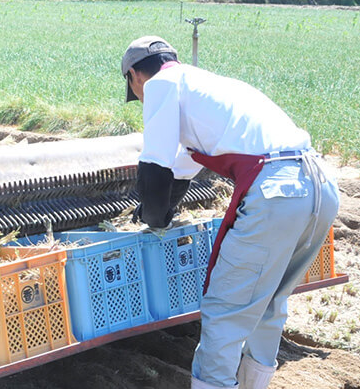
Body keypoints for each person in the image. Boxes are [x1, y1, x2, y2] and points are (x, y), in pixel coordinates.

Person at [121, 36, 338, 389]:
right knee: (268, 302)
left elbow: (156, 162)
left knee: (224, 313)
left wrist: (154, 218)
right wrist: (156, 206)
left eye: (135, 92)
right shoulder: (213, 88)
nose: (141, 98)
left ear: (135, 76)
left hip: (277, 192)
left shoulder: (160, 83)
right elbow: (182, 166)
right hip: (320, 185)